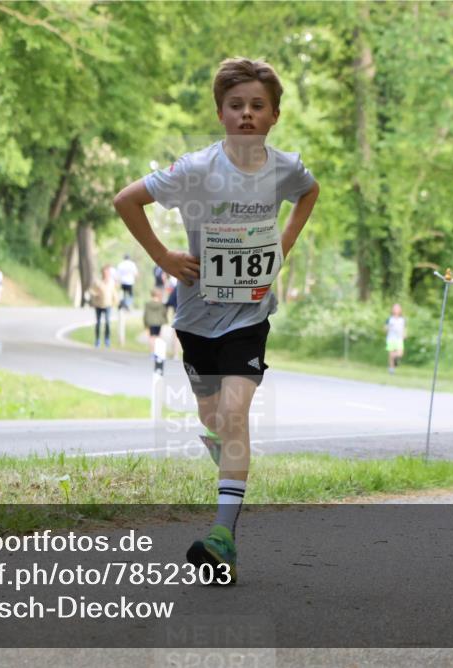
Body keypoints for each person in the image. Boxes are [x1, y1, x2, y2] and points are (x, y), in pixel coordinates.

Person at [113, 57, 320, 584]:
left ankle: (222, 537)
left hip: (250, 313)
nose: (247, 114)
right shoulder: (196, 169)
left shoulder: (285, 169)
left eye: (258, 106)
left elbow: (309, 191)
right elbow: (127, 200)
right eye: (236, 105)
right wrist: (162, 256)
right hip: (196, 315)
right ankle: (226, 452)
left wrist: (285, 242)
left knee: (234, 412)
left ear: (274, 115)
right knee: (214, 418)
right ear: (220, 113)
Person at [88, 265, 118, 348]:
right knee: (98, 323)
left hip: (108, 305)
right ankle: (97, 339)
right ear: (102, 273)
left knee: (107, 322)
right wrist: (95, 294)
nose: (106, 274)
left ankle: (107, 339)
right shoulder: (98, 282)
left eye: (107, 273)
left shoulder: (111, 283)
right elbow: (91, 290)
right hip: (98, 305)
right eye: (105, 273)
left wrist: (115, 301)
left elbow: (114, 293)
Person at [143, 288, 169, 356]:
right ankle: (157, 352)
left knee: (151, 337)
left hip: (150, 323)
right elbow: (164, 313)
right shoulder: (161, 305)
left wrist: (145, 323)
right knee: (158, 337)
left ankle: (152, 352)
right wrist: (165, 321)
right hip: (159, 323)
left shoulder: (148, 304)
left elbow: (145, 314)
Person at [385, 303, 406, 374]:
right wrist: (389, 328)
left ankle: (395, 360)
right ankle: (391, 369)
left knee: (400, 353)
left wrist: (404, 334)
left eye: (397, 308)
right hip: (391, 338)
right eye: (395, 308)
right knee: (391, 354)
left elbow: (404, 328)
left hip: (399, 338)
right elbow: (385, 328)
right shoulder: (389, 319)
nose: (396, 310)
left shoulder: (402, 319)